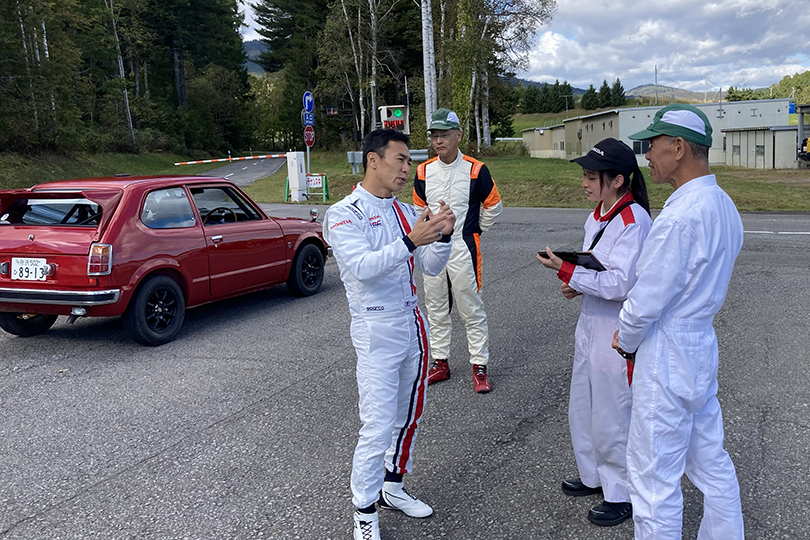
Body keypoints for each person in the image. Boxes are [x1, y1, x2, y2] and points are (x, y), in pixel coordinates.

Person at [612, 103, 745, 539]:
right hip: (699, 345)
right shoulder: (723, 205)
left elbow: (647, 297)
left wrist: (626, 337)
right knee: (710, 459)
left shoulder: (681, 216)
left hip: (667, 350)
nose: (646, 155)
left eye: (652, 145)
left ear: (679, 146)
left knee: (653, 478)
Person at [323, 129, 456, 540]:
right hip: (375, 327)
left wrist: (444, 234)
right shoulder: (344, 213)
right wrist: (411, 239)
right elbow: (363, 266)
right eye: (399, 160)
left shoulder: (403, 211)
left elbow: (431, 267)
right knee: (378, 423)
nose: (406, 168)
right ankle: (364, 508)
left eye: (408, 162)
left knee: (409, 414)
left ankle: (393, 486)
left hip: (412, 322)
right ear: (372, 161)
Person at [537, 138, 652, 527]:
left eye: (591, 176)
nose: (585, 183)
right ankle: (594, 475)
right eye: (584, 176)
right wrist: (576, 283)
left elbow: (621, 283)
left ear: (618, 180)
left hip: (615, 327)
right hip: (589, 321)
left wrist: (567, 272)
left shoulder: (633, 220)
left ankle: (621, 492)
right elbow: (596, 271)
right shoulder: (598, 216)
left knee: (612, 412)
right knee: (583, 404)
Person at [413, 108, 503, 393]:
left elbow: (493, 205)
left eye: (444, 135)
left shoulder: (476, 169)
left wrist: (475, 230)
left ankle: (479, 365)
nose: (439, 141)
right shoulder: (423, 170)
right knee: (436, 306)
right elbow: (419, 207)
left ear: (458, 135)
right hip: (433, 247)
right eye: (434, 135)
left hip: (463, 247)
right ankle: (440, 361)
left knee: (470, 307)